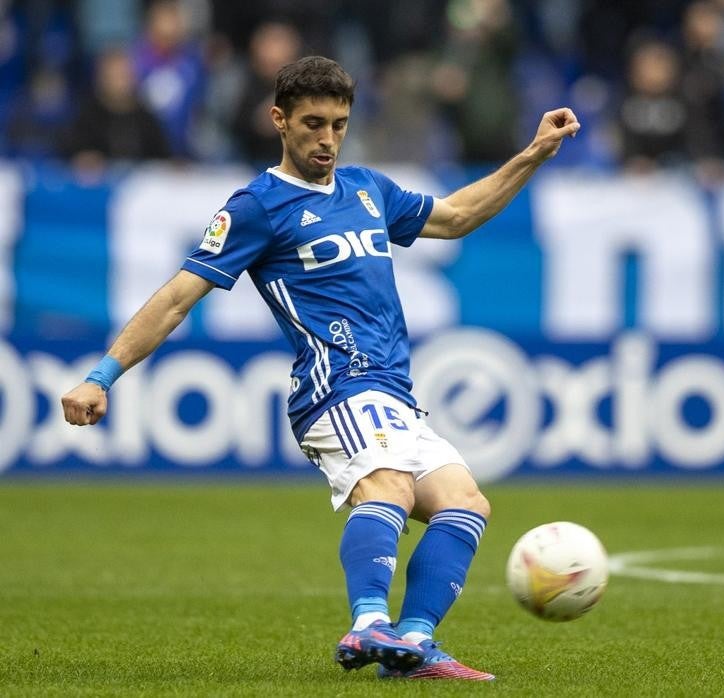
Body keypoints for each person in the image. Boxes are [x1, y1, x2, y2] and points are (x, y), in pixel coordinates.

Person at [60, 55, 580, 682]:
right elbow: (176, 299)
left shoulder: (367, 188)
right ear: (279, 120)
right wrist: (101, 375)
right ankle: (367, 625)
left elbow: (458, 216)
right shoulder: (258, 205)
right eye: (312, 123)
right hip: (333, 387)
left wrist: (533, 154)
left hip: (393, 391)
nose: (327, 139)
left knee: (465, 504)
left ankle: (412, 644)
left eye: (338, 124)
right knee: (387, 483)